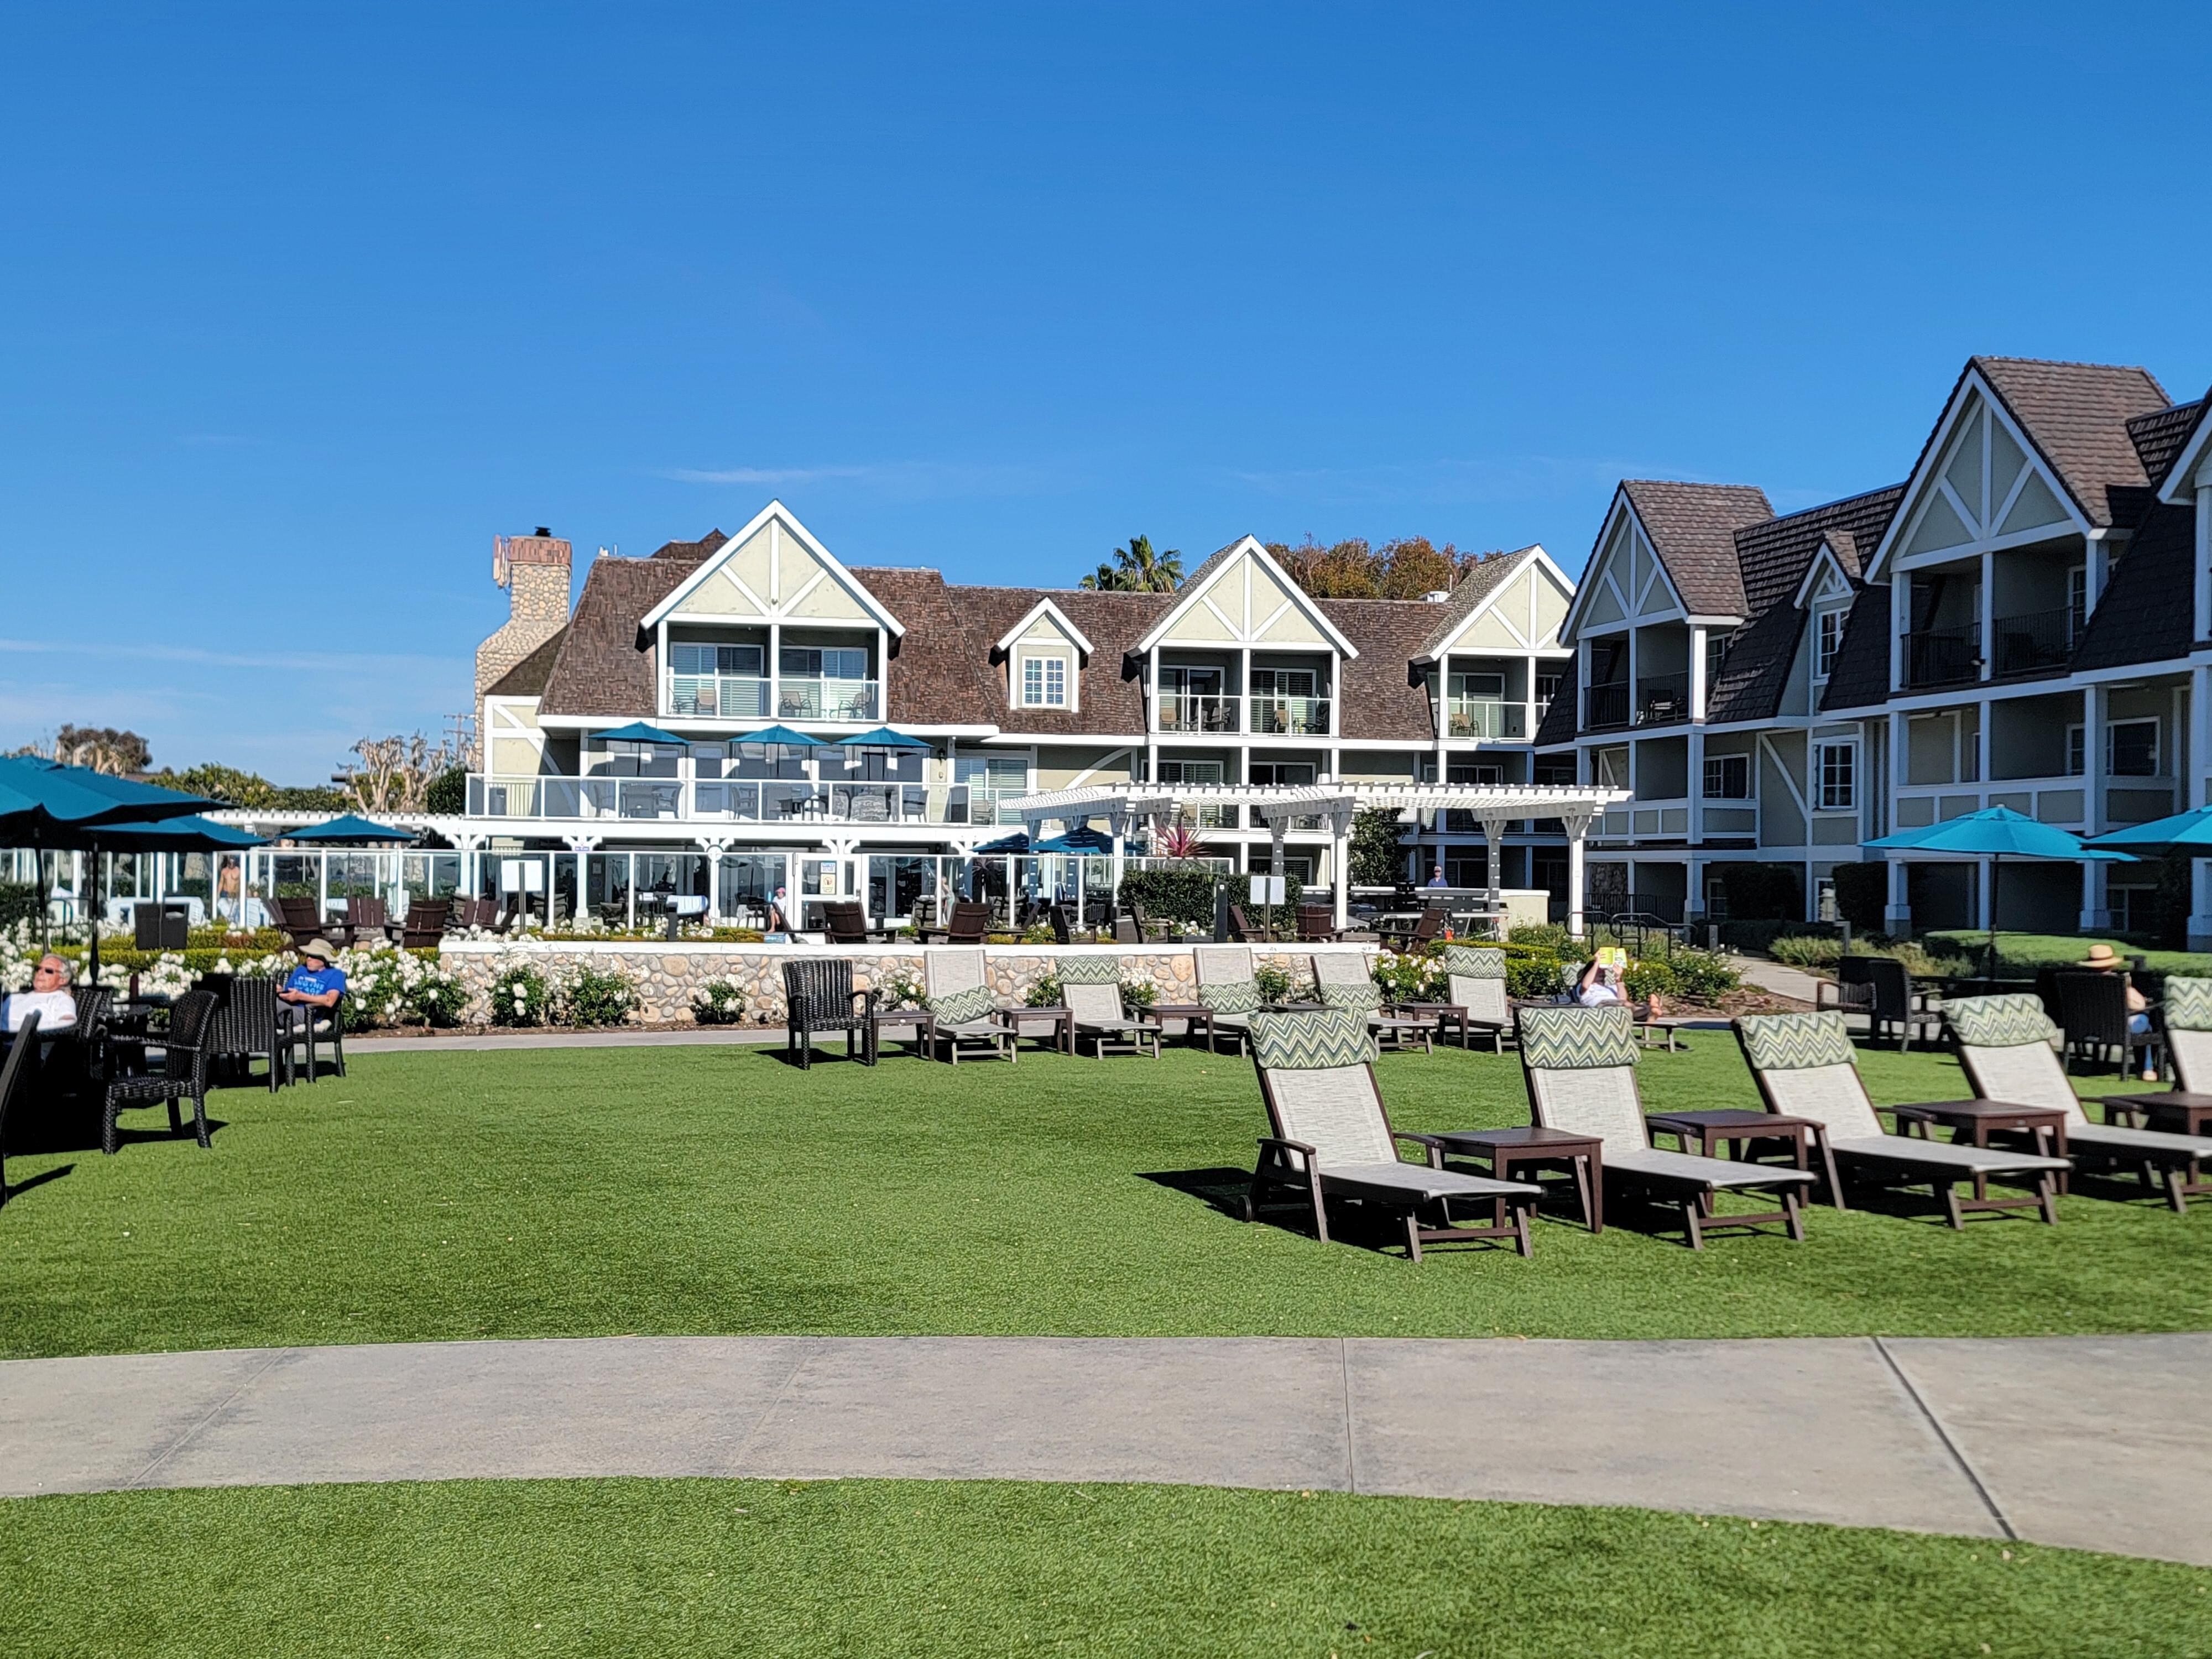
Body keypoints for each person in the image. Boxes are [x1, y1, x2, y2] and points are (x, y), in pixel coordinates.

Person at [2080, 943, 2157, 1082]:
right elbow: (2139, 1005)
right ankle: (2147, 1069)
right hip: (2118, 1028)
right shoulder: (2117, 982)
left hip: (2089, 1027)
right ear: (2111, 964)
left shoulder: (2080, 981)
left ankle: (2145, 1069)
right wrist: (2129, 987)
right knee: (2147, 1023)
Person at [2, 954, 79, 1034]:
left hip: (28, 1042)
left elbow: (67, 1024)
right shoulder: (14, 998)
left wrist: (28, 1029)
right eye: (38, 969)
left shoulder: (61, 999)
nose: (40, 973)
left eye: (49, 971)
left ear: (62, 980)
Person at [278, 939, 347, 1014]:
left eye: (313, 956)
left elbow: (329, 1001)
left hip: (309, 1013)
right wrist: (280, 990)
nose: (309, 959)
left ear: (324, 959)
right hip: (289, 1008)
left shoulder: (335, 974)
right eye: (308, 955)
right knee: (268, 1001)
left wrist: (301, 996)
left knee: (273, 1007)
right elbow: (289, 991)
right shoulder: (301, 969)